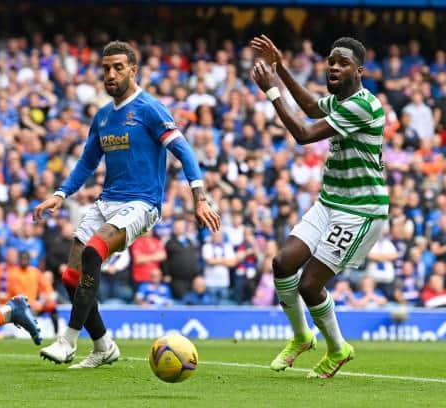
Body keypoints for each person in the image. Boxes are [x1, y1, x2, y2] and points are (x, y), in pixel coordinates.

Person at [34, 41, 220, 368]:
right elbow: (87, 162)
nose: (111, 74)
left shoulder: (149, 108)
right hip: (107, 201)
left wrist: (199, 197)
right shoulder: (103, 117)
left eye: (118, 67)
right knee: (70, 278)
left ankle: (68, 340)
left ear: (133, 70)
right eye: (106, 68)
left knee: (94, 251)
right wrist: (60, 194)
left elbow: (183, 150)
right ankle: (104, 345)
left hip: (142, 203)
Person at [251, 35, 388, 378]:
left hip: (360, 210)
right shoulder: (341, 100)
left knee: (310, 284)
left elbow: (304, 133)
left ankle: (338, 348)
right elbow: (312, 108)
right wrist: (280, 68)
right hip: (329, 202)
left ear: (360, 70)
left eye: (343, 63)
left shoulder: (363, 106)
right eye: (331, 61)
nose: (334, 67)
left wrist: (272, 91)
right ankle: (301, 337)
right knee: (283, 263)